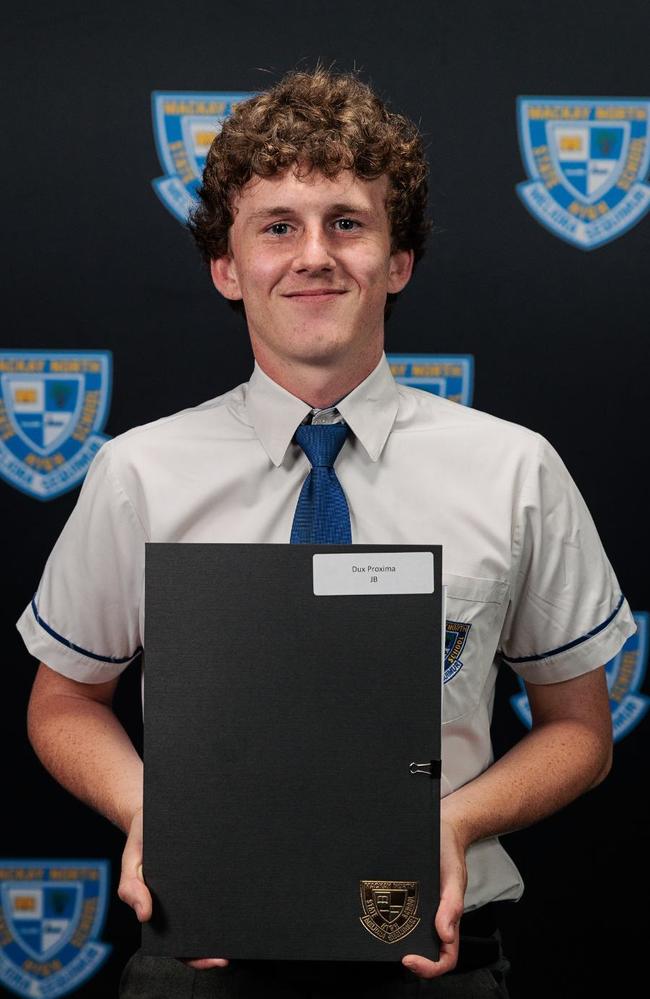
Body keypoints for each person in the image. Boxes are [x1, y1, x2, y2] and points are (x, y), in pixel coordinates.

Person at [19, 67, 635, 998]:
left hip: (436, 953)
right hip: (200, 954)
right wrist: (157, 810)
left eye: (348, 222)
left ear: (399, 260)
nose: (314, 254)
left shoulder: (515, 469)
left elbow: (582, 728)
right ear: (228, 268)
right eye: (278, 226)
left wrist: (454, 822)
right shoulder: (137, 471)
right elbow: (63, 702)